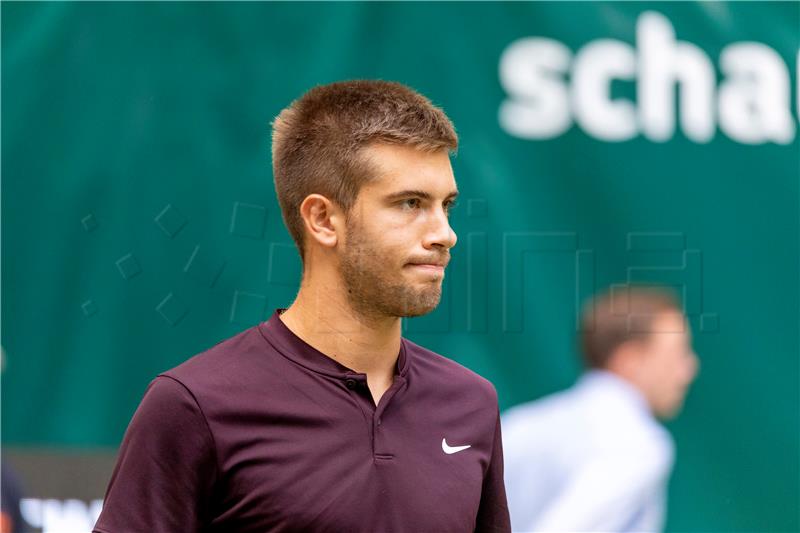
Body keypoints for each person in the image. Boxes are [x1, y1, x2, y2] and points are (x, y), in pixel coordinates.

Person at [93, 80, 510, 533]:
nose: (444, 233)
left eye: (446, 205)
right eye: (410, 203)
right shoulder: (194, 405)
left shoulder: (471, 404)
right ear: (323, 219)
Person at [502, 286, 699, 532]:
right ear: (630, 360)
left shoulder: (520, 423)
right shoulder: (637, 444)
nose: (689, 370)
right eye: (676, 355)